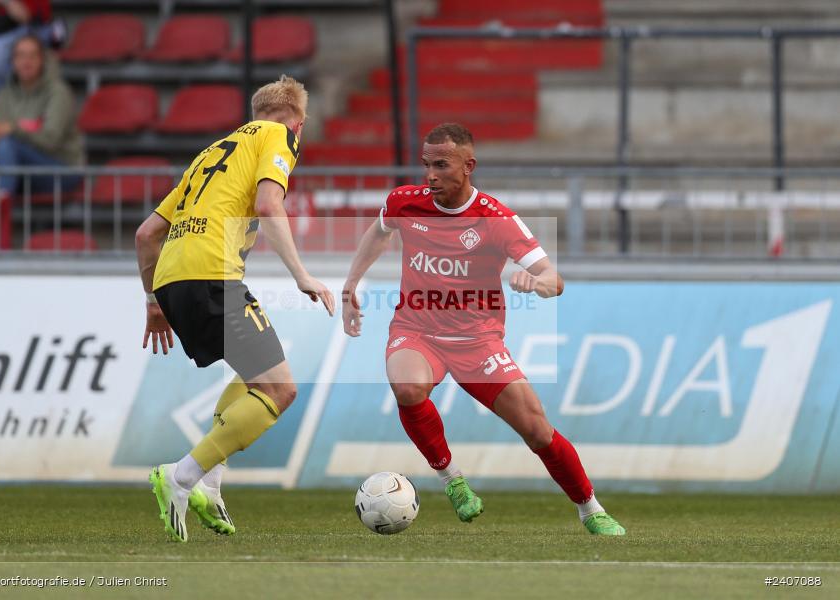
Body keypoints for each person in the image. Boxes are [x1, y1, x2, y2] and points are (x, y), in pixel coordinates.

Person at [341, 123, 625, 536]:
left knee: (536, 429)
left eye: (441, 165)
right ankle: (452, 480)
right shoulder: (405, 202)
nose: (430, 175)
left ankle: (590, 508)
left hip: (478, 342)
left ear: (468, 166)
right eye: (426, 165)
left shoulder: (496, 220)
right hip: (417, 331)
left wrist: (536, 282)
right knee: (406, 386)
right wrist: (352, 283)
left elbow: (554, 279)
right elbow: (378, 232)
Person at [135, 75, 335, 543]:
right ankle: (182, 476)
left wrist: (152, 302)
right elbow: (269, 205)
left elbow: (146, 234)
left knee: (254, 378)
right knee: (281, 391)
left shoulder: (211, 151)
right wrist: (302, 276)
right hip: (212, 275)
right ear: (298, 124)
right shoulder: (278, 137)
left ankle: (210, 484)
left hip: (170, 281)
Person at [0, 34, 82, 196]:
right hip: (19, 166)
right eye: (20, 56)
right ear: (12, 61)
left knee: (6, 144)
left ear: (42, 60)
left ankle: (1, 211)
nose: (26, 62)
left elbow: (51, 141)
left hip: (62, 168)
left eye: (32, 56)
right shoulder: (4, 94)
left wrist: (13, 129)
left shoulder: (58, 92)